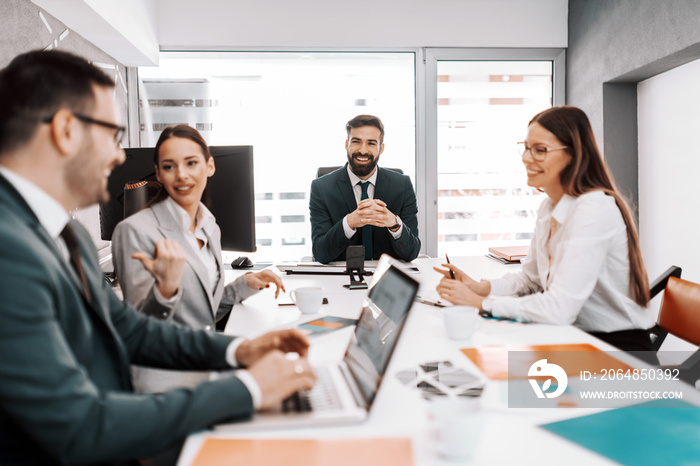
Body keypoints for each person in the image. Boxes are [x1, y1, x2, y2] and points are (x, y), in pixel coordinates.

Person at [0, 50, 315, 465]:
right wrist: (249, 389)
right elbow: (78, 427)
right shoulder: (8, 251)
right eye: (113, 134)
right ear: (65, 130)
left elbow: (130, 331)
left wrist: (239, 351)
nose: (118, 156)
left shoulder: (67, 231)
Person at [435, 106, 654, 352]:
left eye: (540, 150)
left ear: (574, 155)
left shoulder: (593, 210)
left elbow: (558, 308)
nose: (526, 158)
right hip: (572, 336)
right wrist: (481, 287)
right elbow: (530, 280)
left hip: (617, 348)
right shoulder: (549, 207)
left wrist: (482, 303)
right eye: (527, 147)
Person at [112, 124, 287, 392]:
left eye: (191, 163)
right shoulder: (134, 231)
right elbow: (140, 335)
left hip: (208, 367)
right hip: (165, 383)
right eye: (169, 166)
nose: (181, 175)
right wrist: (165, 290)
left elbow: (201, 314)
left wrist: (245, 285)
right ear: (158, 173)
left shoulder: (209, 225)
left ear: (210, 167)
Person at [309, 114, 421, 264]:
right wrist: (349, 223)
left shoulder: (403, 185)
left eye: (371, 143)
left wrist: (394, 223)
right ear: (346, 144)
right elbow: (321, 253)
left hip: (386, 279)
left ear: (381, 148)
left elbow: (412, 253)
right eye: (356, 141)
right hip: (338, 278)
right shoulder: (321, 188)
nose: (363, 150)